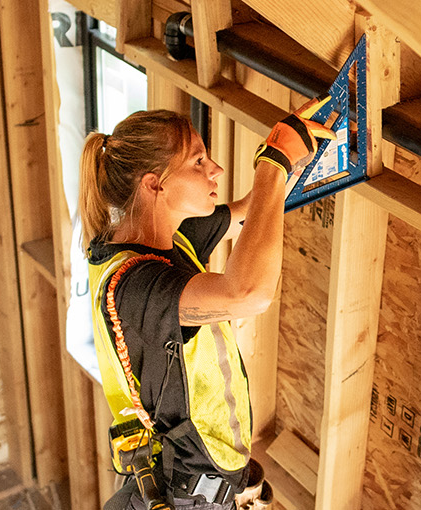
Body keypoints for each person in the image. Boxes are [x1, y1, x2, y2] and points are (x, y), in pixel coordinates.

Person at [82, 103, 333, 510]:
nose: (214, 170)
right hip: (184, 497)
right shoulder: (136, 286)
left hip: (206, 483)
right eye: (198, 161)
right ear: (154, 184)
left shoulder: (165, 238)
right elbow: (248, 293)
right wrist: (271, 163)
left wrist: (297, 157)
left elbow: (252, 215)